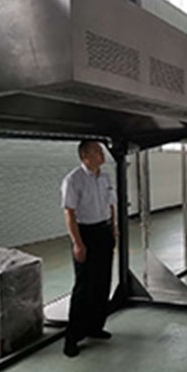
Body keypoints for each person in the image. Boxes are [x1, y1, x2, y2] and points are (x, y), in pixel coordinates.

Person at [61, 140, 117, 357]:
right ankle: (72, 338)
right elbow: (69, 213)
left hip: (104, 232)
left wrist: (113, 229)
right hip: (85, 234)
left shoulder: (105, 177)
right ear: (85, 155)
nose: (102, 154)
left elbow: (111, 205)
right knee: (84, 287)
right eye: (97, 151)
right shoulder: (73, 180)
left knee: (103, 282)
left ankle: (95, 326)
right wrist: (77, 243)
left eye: (101, 150)